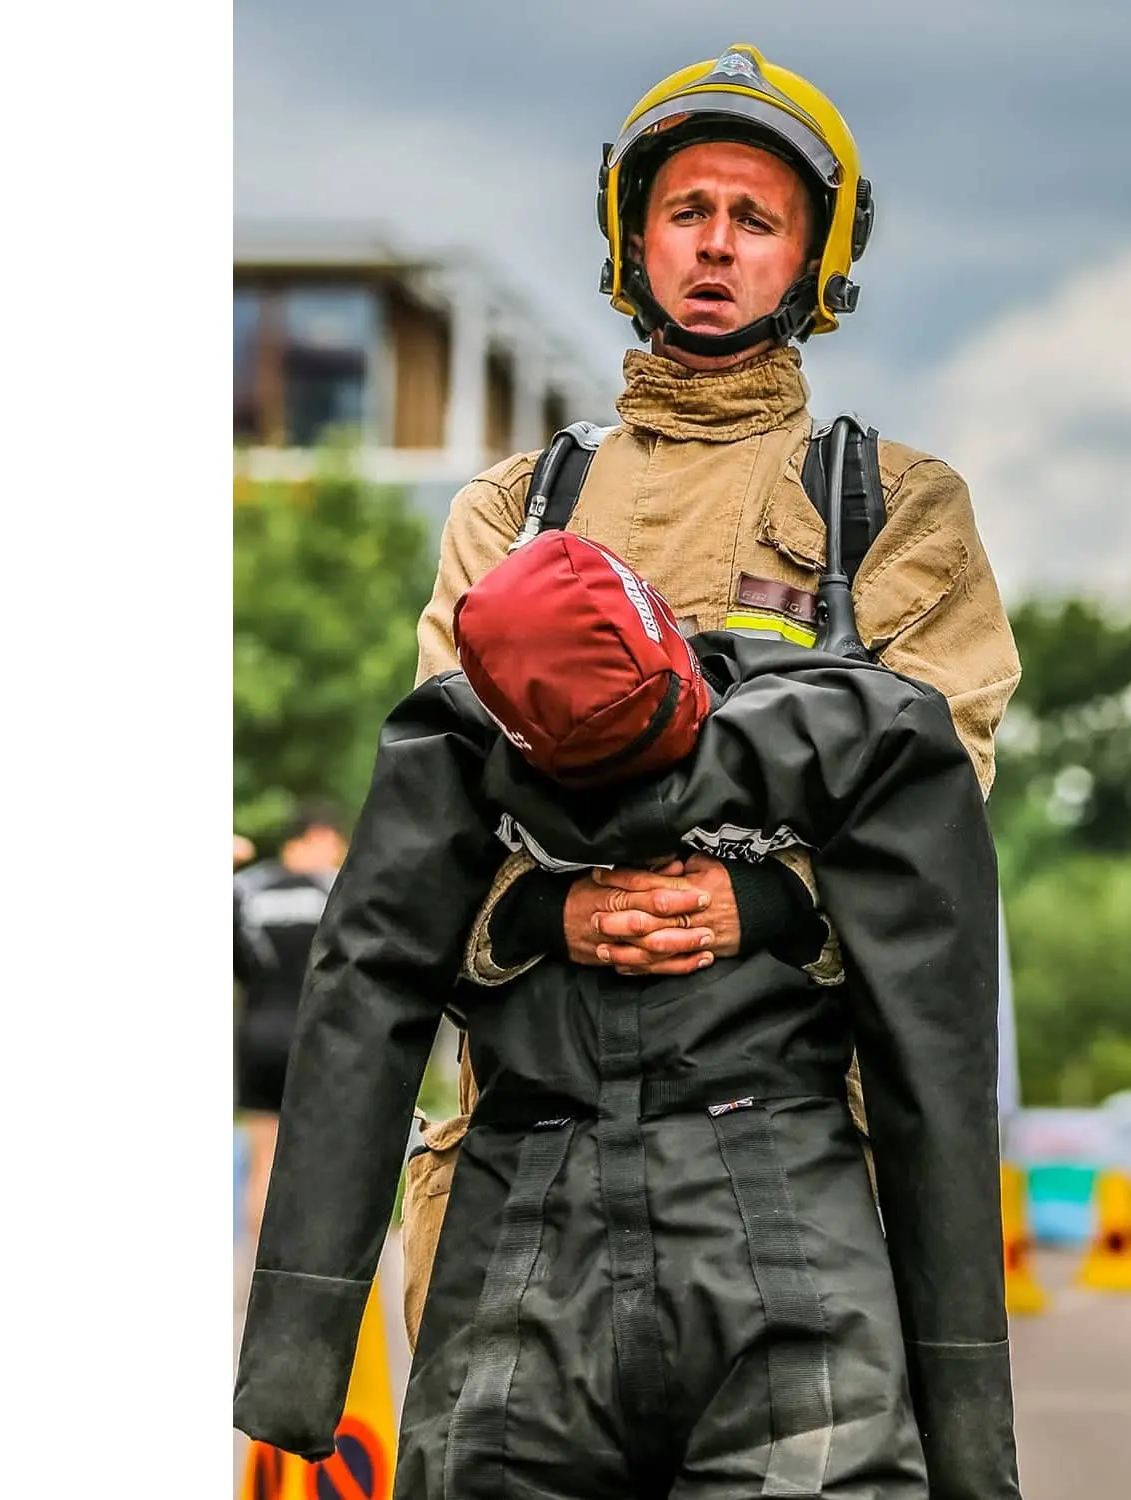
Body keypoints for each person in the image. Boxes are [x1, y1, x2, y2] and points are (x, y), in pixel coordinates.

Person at [408, 37, 1023, 1299]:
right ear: (633, 241)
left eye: (757, 219)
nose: (716, 246)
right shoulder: (513, 514)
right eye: (687, 210)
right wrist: (552, 914)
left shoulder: (894, 510)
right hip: (529, 1165)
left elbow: (939, 795)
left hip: (802, 1171)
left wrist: (768, 902)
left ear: (816, 260)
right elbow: (433, 807)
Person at [233, 533, 1022, 1499]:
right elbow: (935, 1048)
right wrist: (967, 1432)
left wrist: (297, 1352)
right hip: (757, 1204)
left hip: (540, 1219)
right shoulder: (861, 730)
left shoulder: (450, 746)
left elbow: (365, 986)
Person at [232, 798, 348, 1245]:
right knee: (321, 1161)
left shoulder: (246, 890)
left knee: (262, 1161)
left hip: (258, 1034)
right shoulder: (334, 888)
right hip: (318, 1037)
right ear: (319, 836)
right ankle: (311, 1267)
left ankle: (256, 1274)